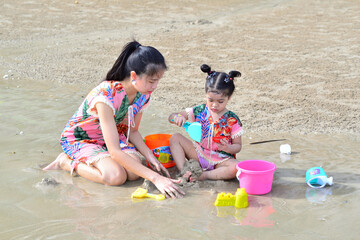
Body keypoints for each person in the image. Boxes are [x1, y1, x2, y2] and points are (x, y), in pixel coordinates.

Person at [43, 40, 184, 198]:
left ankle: (100, 162)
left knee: (133, 173)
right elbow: (115, 152)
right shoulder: (106, 95)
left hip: (112, 138)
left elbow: (134, 131)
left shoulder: (143, 95)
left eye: (158, 81)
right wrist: (156, 178)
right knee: (116, 177)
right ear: (133, 76)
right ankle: (65, 162)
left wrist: (150, 156)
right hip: (82, 139)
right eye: (152, 81)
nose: (155, 86)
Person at [168, 64, 243, 181]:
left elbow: (238, 146)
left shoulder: (232, 120)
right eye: (210, 100)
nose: (214, 105)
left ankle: (204, 175)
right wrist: (177, 117)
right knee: (175, 138)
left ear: (230, 97)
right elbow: (171, 116)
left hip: (220, 160)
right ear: (206, 94)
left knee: (236, 167)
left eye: (220, 101)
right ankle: (184, 170)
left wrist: (228, 148)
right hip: (199, 153)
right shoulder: (200, 110)